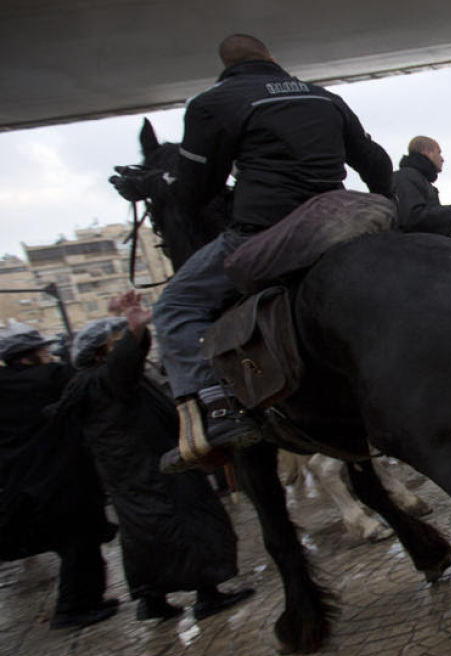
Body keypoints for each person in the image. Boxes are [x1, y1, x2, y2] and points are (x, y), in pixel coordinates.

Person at [151, 34, 395, 472]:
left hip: (267, 231)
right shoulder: (324, 97)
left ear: (224, 67)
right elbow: (376, 164)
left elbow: (195, 190)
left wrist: (172, 190)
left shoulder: (213, 103)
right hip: (341, 216)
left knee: (175, 304)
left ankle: (219, 408)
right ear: (272, 58)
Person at [66, 292, 254, 622]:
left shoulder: (93, 383)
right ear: (100, 353)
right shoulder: (105, 380)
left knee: (146, 536)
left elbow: (127, 364)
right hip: (157, 470)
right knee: (189, 526)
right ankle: (207, 595)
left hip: (134, 474)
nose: (120, 344)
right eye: (114, 341)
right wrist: (136, 329)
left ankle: (152, 600)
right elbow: (125, 363)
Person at [0, 324, 118, 630]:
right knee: (80, 544)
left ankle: (89, 601)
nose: (47, 354)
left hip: (24, 484)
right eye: (41, 350)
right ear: (28, 356)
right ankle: (72, 610)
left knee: (75, 545)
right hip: (62, 477)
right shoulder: (50, 377)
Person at [392, 136, 451, 237]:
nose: (442, 159)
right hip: (407, 249)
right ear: (426, 151)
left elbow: (430, 228)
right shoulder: (405, 176)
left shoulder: (422, 182)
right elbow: (412, 219)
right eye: (439, 152)